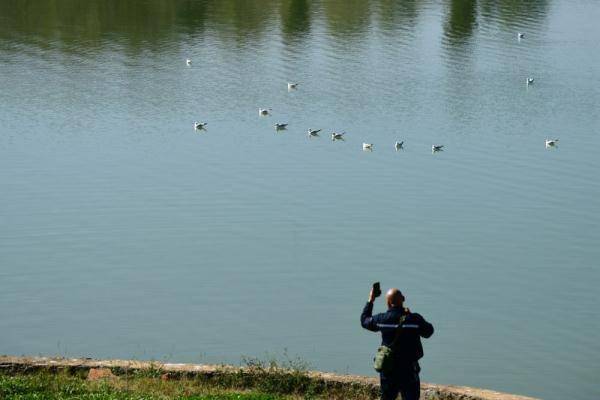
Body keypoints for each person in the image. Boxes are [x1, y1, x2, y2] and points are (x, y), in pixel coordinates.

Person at [361, 287, 434, 400]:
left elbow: (365, 320)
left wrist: (371, 300)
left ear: (388, 302)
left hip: (388, 370)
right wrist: (411, 316)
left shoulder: (382, 320)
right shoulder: (414, 319)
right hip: (409, 370)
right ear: (403, 299)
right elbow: (429, 331)